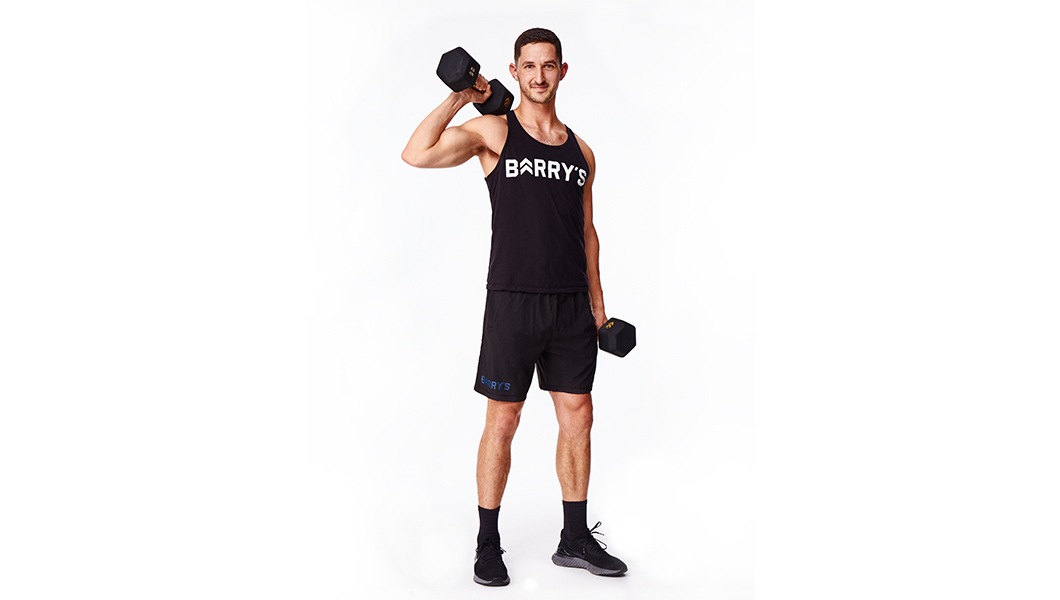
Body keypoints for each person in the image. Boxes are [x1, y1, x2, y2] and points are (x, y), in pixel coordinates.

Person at [401, 27, 627, 587]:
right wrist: (464, 95)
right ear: (515, 70)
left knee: (579, 415)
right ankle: (487, 545)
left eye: (549, 66)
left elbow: (587, 231)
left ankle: (574, 539)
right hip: (512, 303)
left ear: (562, 71)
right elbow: (417, 153)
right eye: (529, 66)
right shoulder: (494, 132)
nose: (539, 76)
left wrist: (599, 311)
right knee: (503, 419)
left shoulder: (582, 152)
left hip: (572, 307)